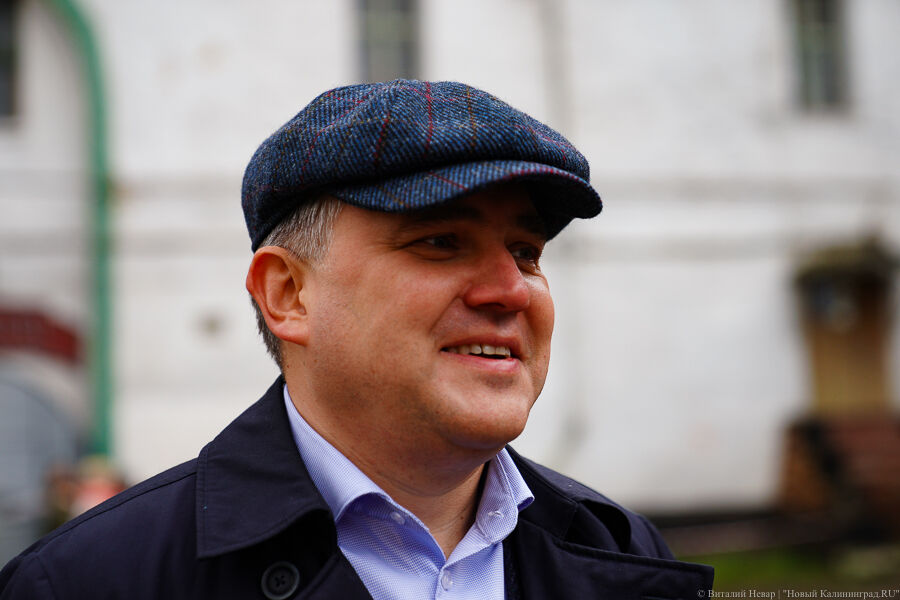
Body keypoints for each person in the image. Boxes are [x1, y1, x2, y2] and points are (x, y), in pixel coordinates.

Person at [0, 80, 713, 599]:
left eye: (526, 252)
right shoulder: (87, 582)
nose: (511, 289)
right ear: (288, 295)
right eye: (441, 241)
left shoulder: (622, 551)